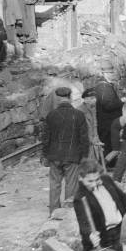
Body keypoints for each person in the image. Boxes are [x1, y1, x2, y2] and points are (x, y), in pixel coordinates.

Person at [42, 86, 89, 215]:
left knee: (54, 184)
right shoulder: (79, 115)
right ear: (70, 97)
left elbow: (46, 137)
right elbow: (84, 138)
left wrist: (45, 155)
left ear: (58, 99)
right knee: (71, 184)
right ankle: (68, 212)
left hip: (54, 156)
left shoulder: (51, 115)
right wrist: (84, 155)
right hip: (72, 156)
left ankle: (54, 212)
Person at [73, 158, 126, 251]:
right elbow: (83, 223)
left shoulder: (106, 179)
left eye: (96, 179)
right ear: (81, 178)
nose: (94, 184)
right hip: (105, 237)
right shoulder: (80, 197)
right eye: (90, 181)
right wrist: (90, 235)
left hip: (121, 229)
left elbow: (123, 199)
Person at [93, 78, 124, 156]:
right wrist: (121, 101)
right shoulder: (104, 87)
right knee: (109, 144)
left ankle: (108, 164)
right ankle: (108, 164)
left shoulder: (100, 87)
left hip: (105, 122)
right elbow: (108, 105)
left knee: (108, 144)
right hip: (108, 122)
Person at [78, 88, 103, 164]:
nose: (94, 100)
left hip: (93, 141)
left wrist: (96, 137)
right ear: (85, 100)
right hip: (85, 141)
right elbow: (83, 129)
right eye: (92, 98)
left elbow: (94, 125)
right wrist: (92, 140)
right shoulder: (80, 111)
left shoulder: (93, 108)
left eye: (95, 98)